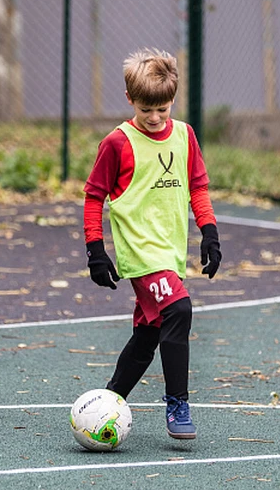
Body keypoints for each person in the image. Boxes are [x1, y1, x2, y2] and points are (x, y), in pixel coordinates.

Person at [83, 48, 222, 440]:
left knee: (148, 335)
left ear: (173, 100)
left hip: (170, 251)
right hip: (141, 254)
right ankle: (177, 403)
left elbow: (199, 187)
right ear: (130, 100)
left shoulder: (185, 135)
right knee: (179, 309)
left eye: (163, 108)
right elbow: (94, 197)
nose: (157, 117)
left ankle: (108, 403)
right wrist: (96, 250)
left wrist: (209, 232)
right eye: (147, 109)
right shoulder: (117, 143)